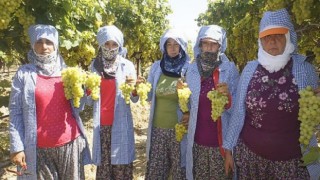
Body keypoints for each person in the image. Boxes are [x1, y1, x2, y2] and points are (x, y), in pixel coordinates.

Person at [223, 8, 320, 179]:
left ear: (288, 37)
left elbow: (314, 119)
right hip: (251, 159)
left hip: (292, 162)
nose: (272, 41)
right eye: (267, 36)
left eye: (278, 35)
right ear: (260, 41)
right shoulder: (250, 69)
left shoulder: (304, 69)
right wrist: (228, 149)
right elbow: (239, 112)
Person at [9, 24, 91, 179]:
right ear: (33, 45)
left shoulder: (68, 73)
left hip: (70, 145)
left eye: (49, 42)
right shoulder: (24, 74)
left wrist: (85, 91)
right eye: (39, 42)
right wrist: (17, 147)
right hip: (39, 149)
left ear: (56, 45)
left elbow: (78, 107)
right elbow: (15, 112)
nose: (44, 46)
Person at [184, 25, 239, 180]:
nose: (209, 48)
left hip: (220, 145)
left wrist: (228, 97)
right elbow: (190, 103)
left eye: (213, 44)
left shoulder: (230, 70)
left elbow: (238, 110)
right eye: (205, 43)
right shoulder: (192, 70)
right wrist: (185, 104)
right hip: (197, 144)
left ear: (220, 46)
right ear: (200, 45)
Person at [89, 25, 137, 179]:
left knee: (121, 167)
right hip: (101, 126)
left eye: (114, 44)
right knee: (104, 169)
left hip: (121, 123)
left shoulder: (127, 66)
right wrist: (86, 90)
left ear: (119, 45)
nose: (110, 48)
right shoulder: (94, 66)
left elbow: (134, 98)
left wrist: (134, 88)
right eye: (107, 44)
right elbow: (90, 100)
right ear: (101, 44)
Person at [144, 29, 190, 179]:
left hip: (179, 132)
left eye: (176, 44)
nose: (172, 48)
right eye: (169, 44)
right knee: (156, 172)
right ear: (164, 47)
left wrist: (188, 110)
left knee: (179, 172)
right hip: (158, 131)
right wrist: (140, 87)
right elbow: (149, 95)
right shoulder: (157, 67)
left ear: (182, 47)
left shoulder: (189, 69)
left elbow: (194, 99)